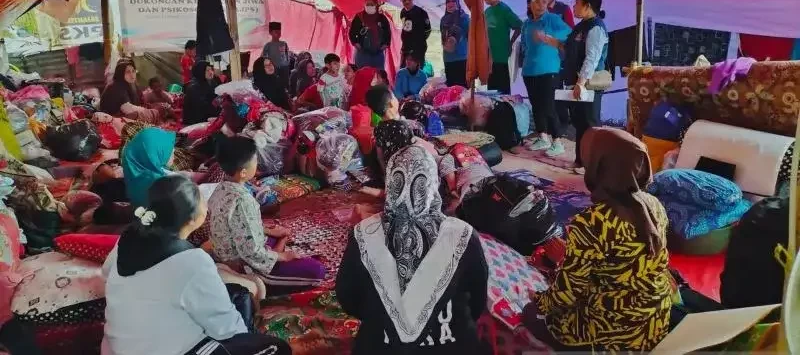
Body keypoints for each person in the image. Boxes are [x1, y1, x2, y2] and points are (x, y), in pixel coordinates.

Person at [102, 175, 290, 355]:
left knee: (233, 292)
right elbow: (227, 330)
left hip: (117, 348)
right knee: (276, 348)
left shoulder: (128, 238)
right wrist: (249, 343)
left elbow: (106, 272)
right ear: (193, 219)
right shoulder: (192, 261)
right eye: (201, 200)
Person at [523, 127, 671, 352]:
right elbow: (626, 258)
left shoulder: (591, 222)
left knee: (531, 314)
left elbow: (567, 293)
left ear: (600, 166)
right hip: (656, 315)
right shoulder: (654, 205)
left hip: (616, 325)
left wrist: (539, 301)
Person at [336, 145, 488, 355]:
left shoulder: (363, 233)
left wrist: (382, 313)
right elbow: (478, 299)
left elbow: (347, 297)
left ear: (390, 183)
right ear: (433, 183)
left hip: (379, 346)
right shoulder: (463, 234)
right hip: (455, 345)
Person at [208, 136, 326, 291]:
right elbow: (251, 252)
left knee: (279, 235)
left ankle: (276, 248)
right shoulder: (243, 201)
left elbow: (239, 225)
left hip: (235, 249)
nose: (257, 165)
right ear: (243, 172)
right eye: (255, 161)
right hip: (246, 265)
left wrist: (269, 231)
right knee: (317, 271)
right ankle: (267, 274)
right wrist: (282, 257)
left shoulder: (220, 188)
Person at [520, 0, 572, 157]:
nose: (542, 5)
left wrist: (551, 39)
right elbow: (525, 46)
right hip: (530, 70)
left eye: (545, 1)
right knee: (537, 106)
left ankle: (557, 141)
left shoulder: (553, 19)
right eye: (538, 1)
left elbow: (570, 34)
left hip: (549, 70)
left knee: (549, 106)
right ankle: (543, 137)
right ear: (530, 4)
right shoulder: (527, 24)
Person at [563, 0, 609, 171]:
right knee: (580, 122)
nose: (574, 6)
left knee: (590, 123)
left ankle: (593, 164)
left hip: (589, 83)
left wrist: (581, 83)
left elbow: (592, 57)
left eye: (577, 2)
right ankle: (580, 160)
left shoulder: (596, 27)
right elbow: (568, 47)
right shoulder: (581, 26)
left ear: (587, 6)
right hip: (577, 81)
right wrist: (548, 40)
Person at [538, 0, 573, 129]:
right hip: (541, 58)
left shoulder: (563, 9)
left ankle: (562, 122)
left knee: (557, 89)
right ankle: (547, 124)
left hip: (558, 57)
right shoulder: (537, 10)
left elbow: (571, 31)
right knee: (543, 90)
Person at [121, 127, 178, 209]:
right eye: (166, 148)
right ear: (153, 153)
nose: (173, 150)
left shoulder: (137, 177)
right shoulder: (159, 185)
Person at [483, 0, 522, 94]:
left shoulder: (504, 9)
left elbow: (519, 26)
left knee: (502, 91)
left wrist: (510, 42)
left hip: (501, 56)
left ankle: (505, 110)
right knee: (491, 91)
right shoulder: (487, 12)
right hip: (489, 57)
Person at [100, 62, 165, 124]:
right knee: (153, 112)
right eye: (128, 72)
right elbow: (128, 109)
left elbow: (138, 101)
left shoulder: (127, 84)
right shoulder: (116, 86)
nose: (132, 75)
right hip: (111, 118)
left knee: (157, 108)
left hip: (119, 115)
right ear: (121, 73)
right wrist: (151, 111)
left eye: (133, 71)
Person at [349, 0, 392, 69]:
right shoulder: (359, 17)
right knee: (362, 75)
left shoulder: (382, 18)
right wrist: (356, 44)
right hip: (362, 53)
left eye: (371, 4)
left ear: (376, 5)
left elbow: (387, 33)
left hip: (378, 54)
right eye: (367, 4)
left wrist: (385, 45)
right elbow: (352, 32)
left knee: (378, 76)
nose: (369, 6)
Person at [440, 0, 470, 88]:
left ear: (457, 3)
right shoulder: (443, 19)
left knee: (463, 88)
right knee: (451, 89)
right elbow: (443, 37)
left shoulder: (464, 18)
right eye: (448, 1)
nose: (450, 3)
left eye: (453, 1)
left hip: (461, 58)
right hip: (448, 58)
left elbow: (470, 36)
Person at [399, 0, 431, 67]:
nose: (407, 1)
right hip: (405, 48)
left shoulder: (421, 13)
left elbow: (428, 30)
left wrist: (418, 42)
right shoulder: (402, 12)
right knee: (403, 72)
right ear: (400, 0)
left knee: (417, 73)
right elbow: (405, 29)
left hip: (418, 49)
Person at [183, 61, 220, 126]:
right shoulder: (193, 87)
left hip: (208, 116)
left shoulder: (212, 82)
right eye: (207, 70)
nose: (211, 72)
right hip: (196, 121)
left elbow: (217, 97)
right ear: (200, 72)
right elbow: (202, 107)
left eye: (211, 69)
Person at [261, 22, 291, 86]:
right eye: (276, 32)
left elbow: (287, 55)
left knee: (285, 86)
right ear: (270, 33)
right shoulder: (268, 45)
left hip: (284, 70)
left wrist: (287, 64)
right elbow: (263, 58)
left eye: (279, 32)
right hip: (274, 70)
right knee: (275, 86)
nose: (278, 33)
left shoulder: (284, 43)